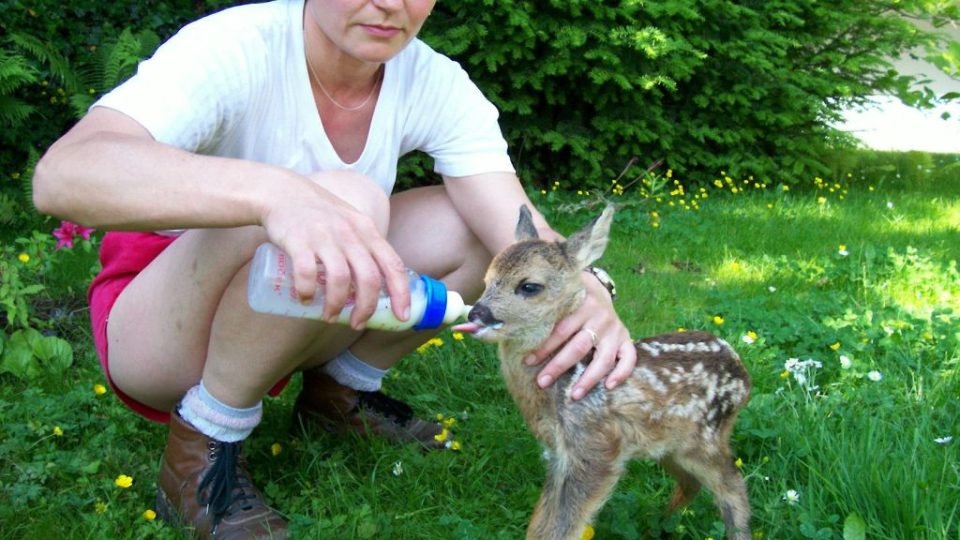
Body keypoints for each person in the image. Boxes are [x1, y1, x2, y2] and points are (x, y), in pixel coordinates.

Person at [33, 0, 637, 537]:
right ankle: (201, 446)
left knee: (478, 233)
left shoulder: (431, 79)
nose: (387, 4)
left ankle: (337, 397)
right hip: (165, 327)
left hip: (290, 300)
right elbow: (62, 176)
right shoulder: (236, 46)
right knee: (350, 199)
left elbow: (511, 218)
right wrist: (275, 194)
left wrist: (588, 290)